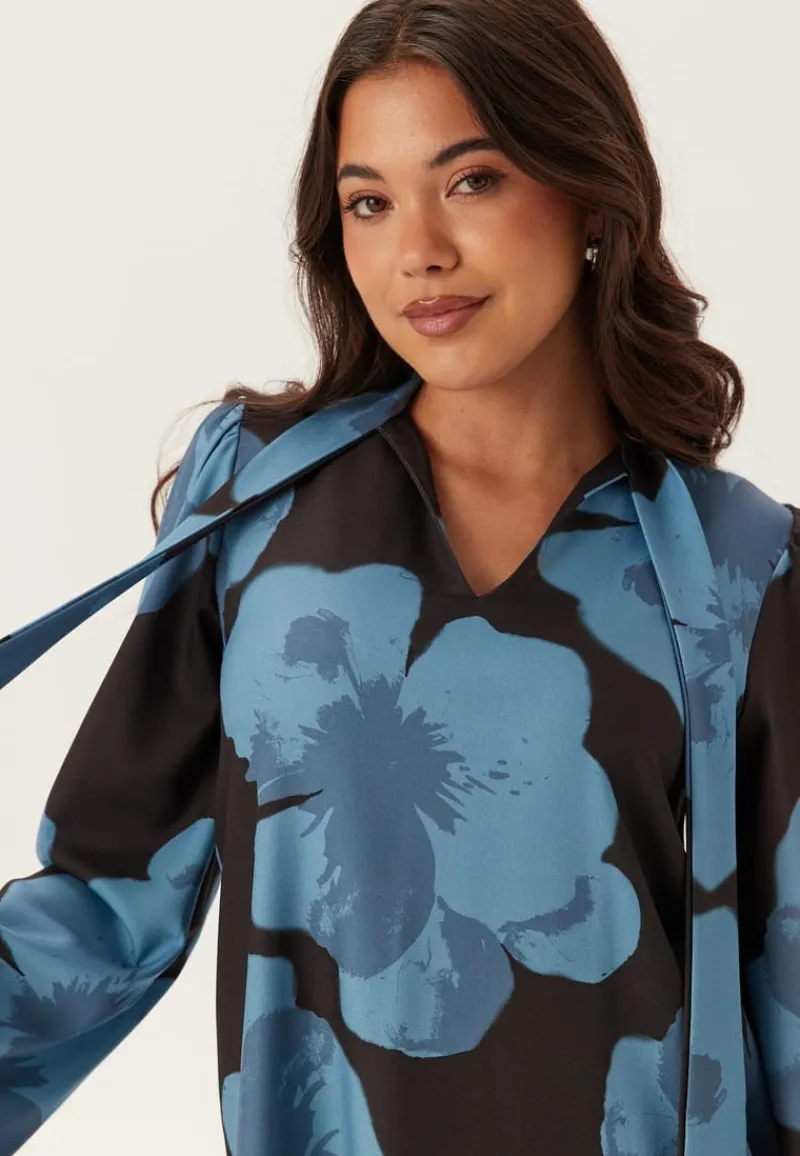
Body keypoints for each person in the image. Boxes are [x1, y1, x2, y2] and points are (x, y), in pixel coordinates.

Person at [0, 0, 797, 1153]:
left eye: (470, 181)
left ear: (588, 192)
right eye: (367, 201)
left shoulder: (738, 564)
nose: (416, 249)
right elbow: (110, 901)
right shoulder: (258, 497)